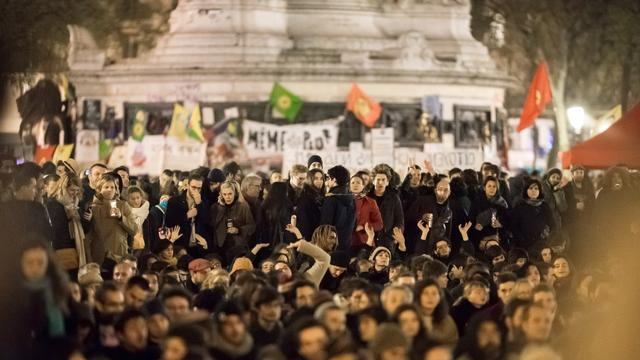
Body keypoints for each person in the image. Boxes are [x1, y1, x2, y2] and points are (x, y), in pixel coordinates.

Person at [86, 173, 137, 265]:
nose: (109, 190)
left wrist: (121, 218)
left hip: (119, 253)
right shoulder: (93, 208)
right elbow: (88, 236)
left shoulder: (123, 205)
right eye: (106, 187)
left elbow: (134, 230)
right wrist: (89, 259)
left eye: (112, 187)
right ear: (99, 190)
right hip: (99, 255)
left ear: (116, 190)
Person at [210, 180, 255, 262]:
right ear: (221, 195)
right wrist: (221, 207)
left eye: (230, 194)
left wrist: (238, 230)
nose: (227, 197)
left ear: (235, 193)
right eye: (224, 194)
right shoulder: (215, 207)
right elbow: (213, 224)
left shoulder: (243, 206)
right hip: (220, 246)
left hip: (238, 246)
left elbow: (251, 226)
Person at [165, 173, 210, 254]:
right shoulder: (175, 201)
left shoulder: (204, 201)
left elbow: (206, 221)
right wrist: (187, 215)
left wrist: (199, 204)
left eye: (199, 188)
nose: (196, 191)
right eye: (193, 187)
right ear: (188, 185)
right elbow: (169, 223)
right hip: (181, 244)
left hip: (198, 244)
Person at [511, 178, 555, 253]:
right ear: (526, 190)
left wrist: (547, 234)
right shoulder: (520, 206)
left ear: (540, 191)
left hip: (543, 243)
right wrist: (523, 240)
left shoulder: (544, 205)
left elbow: (552, 224)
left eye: (536, 188)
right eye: (530, 188)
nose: (533, 191)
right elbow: (514, 226)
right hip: (524, 245)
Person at [368, 164, 404, 252]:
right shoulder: (367, 197)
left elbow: (399, 218)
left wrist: (394, 237)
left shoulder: (394, 197)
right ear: (373, 181)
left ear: (387, 182)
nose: (380, 182)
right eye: (378, 180)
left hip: (387, 239)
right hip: (370, 237)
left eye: (383, 180)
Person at [319, 165, 356, 251]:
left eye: (328, 177)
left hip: (331, 245)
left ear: (334, 179)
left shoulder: (331, 198)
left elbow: (325, 225)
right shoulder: (351, 198)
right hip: (346, 244)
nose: (325, 180)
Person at [414, 279, 459, 345]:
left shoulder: (446, 320)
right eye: (425, 293)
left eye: (434, 293)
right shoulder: (411, 317)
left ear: (440, 297)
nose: (430, 297)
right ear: (418, 296)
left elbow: (453, 344)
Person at [349, 174, 383, 254]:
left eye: (358, 182)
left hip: (365, 240)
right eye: (353, 182)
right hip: (348, 241)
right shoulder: (343, 201)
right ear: (349, 185)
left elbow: (379, 224)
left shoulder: (371, 202)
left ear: (363, 186)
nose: (355, 185)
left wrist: (364, 226)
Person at [296, 168, 325, 241]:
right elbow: (304, 222)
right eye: (316, 178)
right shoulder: (305, 197)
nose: (319, 181)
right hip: (310, 238)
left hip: (318, 236)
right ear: (310, 179)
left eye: (321, 178)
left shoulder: (321, 196)